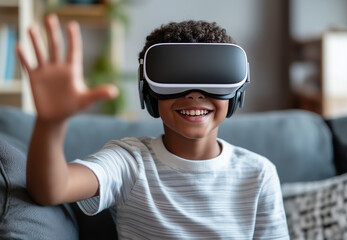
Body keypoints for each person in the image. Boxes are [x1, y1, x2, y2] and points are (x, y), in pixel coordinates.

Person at [17, 14, 289, 239]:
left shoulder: (258, 174)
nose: (194, 94)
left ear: (236, 91)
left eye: (212, 79)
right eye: (175, 79)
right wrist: (51, 123)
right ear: (148, 92)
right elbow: (51, 189)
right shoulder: (130, 163)